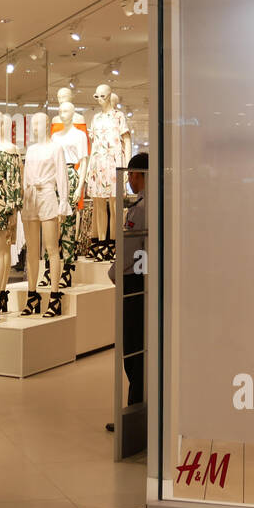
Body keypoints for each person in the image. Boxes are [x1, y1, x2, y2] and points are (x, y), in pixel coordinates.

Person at [107, 153, 148, 431]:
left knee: (133, 349)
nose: (130, 181)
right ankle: (136, 408)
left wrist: (114, 273)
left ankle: (135, 413)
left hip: (134, 283)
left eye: (132, 175)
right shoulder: (146, 205)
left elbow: (133, 251)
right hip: (137, 281)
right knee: (135, 348)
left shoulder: (143, 208)